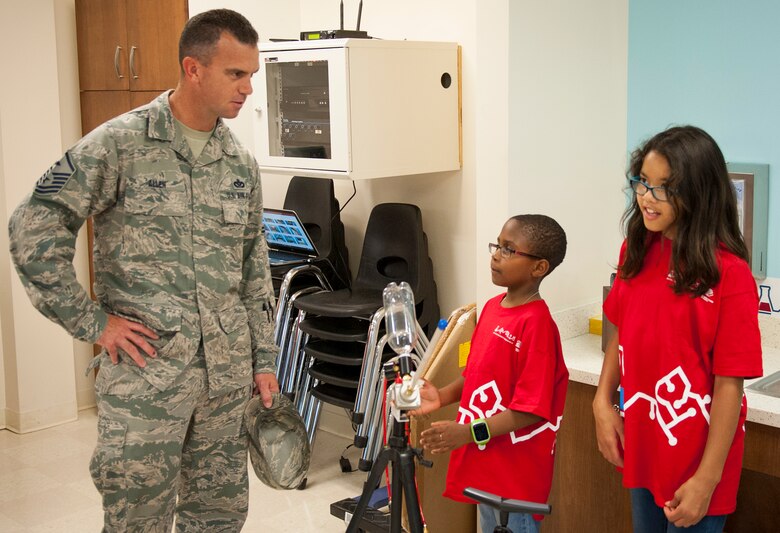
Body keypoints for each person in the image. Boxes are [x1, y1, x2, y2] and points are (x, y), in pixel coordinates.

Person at [8, 9, 279, 532]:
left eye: (252, 74)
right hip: (147, 382)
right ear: (193, 68)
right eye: (235, 73)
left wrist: (263, 360)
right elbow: (32, 225)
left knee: (218, 520)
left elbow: (253, 268)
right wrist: (92, 323)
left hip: (224, 384)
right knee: (137, 520)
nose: (248, 88)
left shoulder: (238, 163)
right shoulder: (120, 144)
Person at [593, 126, 763, 532]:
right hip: (644, 446)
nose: (647, 198)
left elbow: (729, 386)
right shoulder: (636, 249)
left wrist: (707, 480)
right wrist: (602, 402)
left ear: (699, 193)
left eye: (664, 188)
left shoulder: (731, 275)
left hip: (698, 463)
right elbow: (620, 330)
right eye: (643, 183)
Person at [413, 214, 569, 533]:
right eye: (497, 245)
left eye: (509, 249)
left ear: (539, 267)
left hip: (513, 479)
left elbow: (529, 412)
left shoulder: (536, 325)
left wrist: (467, 432)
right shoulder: (492, 308)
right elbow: (477, 374)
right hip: (485, 466)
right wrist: (442, 396)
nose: (496, 255)